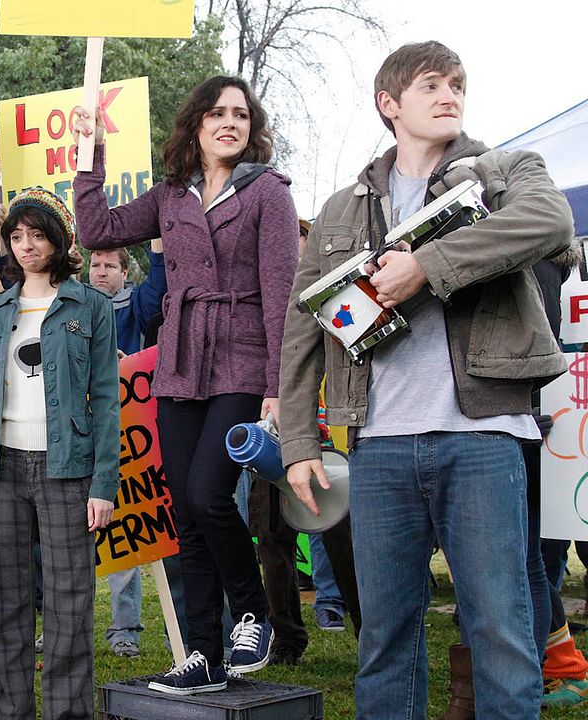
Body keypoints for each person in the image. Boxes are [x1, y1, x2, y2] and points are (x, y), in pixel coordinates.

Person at [278, 41, 574, 719]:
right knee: (384, 637)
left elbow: (551, 221)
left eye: (457, 86)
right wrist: (298, 441)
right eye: (431, 85)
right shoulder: (339, 210)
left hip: (484, 436)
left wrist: (427, 265)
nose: (449, 96)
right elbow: (303, 331)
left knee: (500, 631)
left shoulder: (506, 169)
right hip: (377, 446)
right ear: (390, 105)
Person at [73, 74, 299, 694]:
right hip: (178, 362)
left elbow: (282, 294)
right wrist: (91, 154)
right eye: (218, 113)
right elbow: (96, 231)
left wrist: (279, 383)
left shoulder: (269, 194)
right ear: (195, 125)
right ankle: (203, 654)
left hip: (243, 358)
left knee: (207, 494)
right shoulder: (172, 195)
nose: (231, 123)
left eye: (241, 114)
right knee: (185, 514)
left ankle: (252, 611)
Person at [0, 187, 119, 720]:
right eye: (17, 237)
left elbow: (107, 399)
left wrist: (103, 484)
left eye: (37, 235)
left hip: (66, 465)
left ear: (59, 242)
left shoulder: (90, 306)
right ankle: (11, 711)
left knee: (71, 600)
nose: (26, 246)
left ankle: (67, 713)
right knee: (5, 601)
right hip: (0, 467)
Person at [87, 242, 167, 658]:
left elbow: (159, 288)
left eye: (109, 265)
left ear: (125, 273)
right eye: (95, 264)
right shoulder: (71, 306)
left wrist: (157, 248)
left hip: (126, 428)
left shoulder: (134, 307)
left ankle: (124, 631)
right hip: (78, 429)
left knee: (123, 529)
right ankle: (70, 625)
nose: (100, 271)